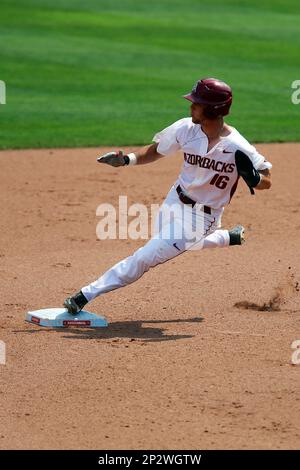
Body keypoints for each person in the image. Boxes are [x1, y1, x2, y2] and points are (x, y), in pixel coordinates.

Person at [63, 77, 272, 315]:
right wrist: (126, 160)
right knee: (177, 243)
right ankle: (227, 237)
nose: (191, 106)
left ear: (213, 109)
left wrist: (255, 179)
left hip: (203, 218)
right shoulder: (186, 128)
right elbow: (155, 151)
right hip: (175, 199)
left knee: (146, 256)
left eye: (197, 103)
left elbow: (267, 179)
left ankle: (84, 296)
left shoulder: (237, 146)